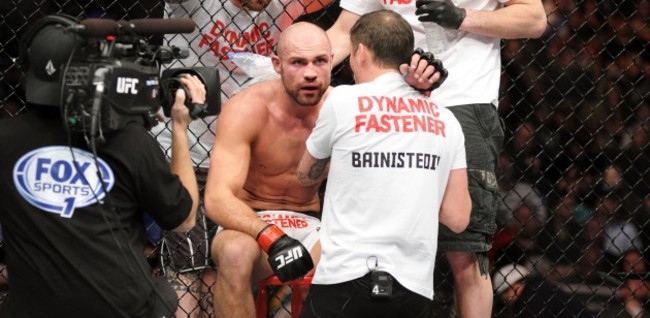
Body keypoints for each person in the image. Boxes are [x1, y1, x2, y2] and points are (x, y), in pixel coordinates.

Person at [325, 0, 547, 316]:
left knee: (466, 252)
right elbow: (345, 29)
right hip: (395, 107)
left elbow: (534, 18)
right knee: (383, 239)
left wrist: (463, 17)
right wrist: (305, 64)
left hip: (465, 103)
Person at [0, 15, 201, 317]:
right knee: (162, 297)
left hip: (29, 309)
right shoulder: (128, 140)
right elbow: (183, 220)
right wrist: (180, 127)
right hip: (121, 308)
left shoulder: (5, 139)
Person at [154, 1, 334, 315]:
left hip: (313, 222)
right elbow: (219, 198)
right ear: (277, 64)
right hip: (246, 215)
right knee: (224, 258)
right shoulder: (246, 108)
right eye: (298, 63)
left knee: (352, 255)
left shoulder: (344, 106)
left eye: (320, 61)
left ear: (332, 61)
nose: (310, 73)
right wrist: (271, 237)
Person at [295, 10, 470, 317]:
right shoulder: (447, 120)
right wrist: (414, 178)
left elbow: (305, 176)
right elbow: (458, 217)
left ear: (360, 52)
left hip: (346, 276)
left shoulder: (343, 101)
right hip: (413, 286)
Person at [492, 264, 592, 318]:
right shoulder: (538, 288)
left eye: (505, 292)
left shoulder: (532, 298)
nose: (504, 298)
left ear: (516, 284)